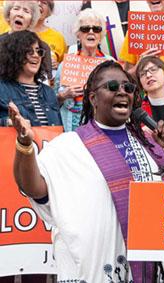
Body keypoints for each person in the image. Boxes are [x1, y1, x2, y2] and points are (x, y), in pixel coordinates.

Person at [10, 60, 164, 282]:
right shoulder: (68, 146)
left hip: (150, 265)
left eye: (128, 88)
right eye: (112, 87)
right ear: (93, 98)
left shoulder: (150, 142)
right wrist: (24, 145)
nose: (122, 92)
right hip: (95, 267)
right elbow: (33, 188)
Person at [0, 30, 61, 283]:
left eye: (39, 51)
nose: (36, 55)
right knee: (11, 245)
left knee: (38, 239)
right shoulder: (2, 88)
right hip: (11, 170)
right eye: (29, 50)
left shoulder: (48, 93)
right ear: (15, 54)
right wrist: (10, 123)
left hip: (46, 169)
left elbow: (56, 129)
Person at [55, 8, 114, 131]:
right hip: (71, 126)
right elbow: (53, 103)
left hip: (102, 125)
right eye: (85, 29)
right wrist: (63, 95)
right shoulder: (66, 64)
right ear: (78, 34)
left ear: (101, 35)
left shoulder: (110, 64)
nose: (91, 32)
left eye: (96, 29)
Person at [1, 0, 52, 80]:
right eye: (16, 9)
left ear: (32, 19)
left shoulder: (41, 48)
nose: (20, 14)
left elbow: (45, 79)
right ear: (9, 14)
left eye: (26, 11)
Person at [33, 0, 67, 76]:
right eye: (36, 1)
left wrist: (58, 66)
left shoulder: (58, 37)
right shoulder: (16, 31)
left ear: (49, 11)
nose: (39, 4)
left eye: (44, 2)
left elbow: (65, 69)